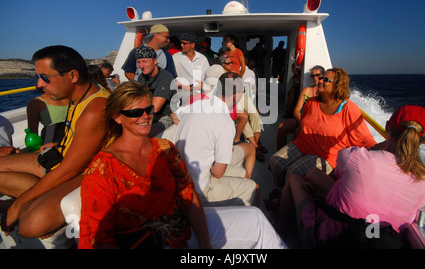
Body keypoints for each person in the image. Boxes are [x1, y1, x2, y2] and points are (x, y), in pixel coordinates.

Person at [78, 81, 287, 249]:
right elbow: (94, 238)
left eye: (148, 109)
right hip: (151, 242)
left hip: (180, 228)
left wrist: (205, 246)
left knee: (257, 219)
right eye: (134, 112)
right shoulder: (102, 169)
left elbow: (189, 195)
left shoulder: (164, 148)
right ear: (117, 118)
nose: (144, 117)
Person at [277, 105, 425, 248]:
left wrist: (378, 148)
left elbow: (337, 177)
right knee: (315, 175)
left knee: (295, 179)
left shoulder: (358, 158)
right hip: (377, 242)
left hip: (330, 239)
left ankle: (279, 237)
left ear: (387, 128)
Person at [0, 45, 109, 238]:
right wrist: (58, 145)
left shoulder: (95, 109)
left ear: (73, 76)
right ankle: (33, 198)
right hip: (61, 157)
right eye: (37, 78)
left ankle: (24, 202)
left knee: (30, 225)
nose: (39, 85)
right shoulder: (77, 97)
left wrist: (17, 206)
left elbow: (70, 169)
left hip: (81, 172)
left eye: (45, 78)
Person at [270, 68, 376, 189]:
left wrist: (381, 151)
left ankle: (285, 197)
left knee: (293, 171)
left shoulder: (349, 109)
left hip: (326, 156)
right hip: (303, 145)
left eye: (325, 79)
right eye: (321, 78)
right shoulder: (311, 102)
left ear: (337, 85)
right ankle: (281, 190)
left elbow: (364, 138)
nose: (320, 81)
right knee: (276, 162)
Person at [174, 72, 259, 207]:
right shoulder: (225, 122)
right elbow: (217, 173)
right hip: (199, 188)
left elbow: (175, 114)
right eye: (242, 91)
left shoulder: (198, 104)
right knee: (254, 187)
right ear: (236, 96)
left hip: (180, 176)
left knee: (242, 174)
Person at [276, 65, 325, 150]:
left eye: (318, 75)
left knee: (297, 132)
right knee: (281, 127)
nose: (315, 78)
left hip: (316, 124)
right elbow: (296, 110)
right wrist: (301, 121)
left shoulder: (326, 93)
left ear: (323, 76)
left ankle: (291, 155)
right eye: (312, 76)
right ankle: (280, 153)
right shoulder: (306, 91)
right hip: (302, 119)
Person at [135, 45, 175, 136]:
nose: (141, 66)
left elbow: (155, 108)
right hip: (147, 114)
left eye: (144, 61)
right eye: (139, 62)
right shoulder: (142, 77)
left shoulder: (165, 77)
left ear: (155, 61)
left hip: (165, 115)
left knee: (147, 135)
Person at [172, 33, 210, 105]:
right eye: (181, 43)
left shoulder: (202, 59)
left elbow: (208, 77)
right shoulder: (176, 57)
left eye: (184, 43)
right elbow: (173, 79)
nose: (181, 45)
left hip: (200, 94)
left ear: (193, 45)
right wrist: (184, 87)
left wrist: (202, 84)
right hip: (184, 94)